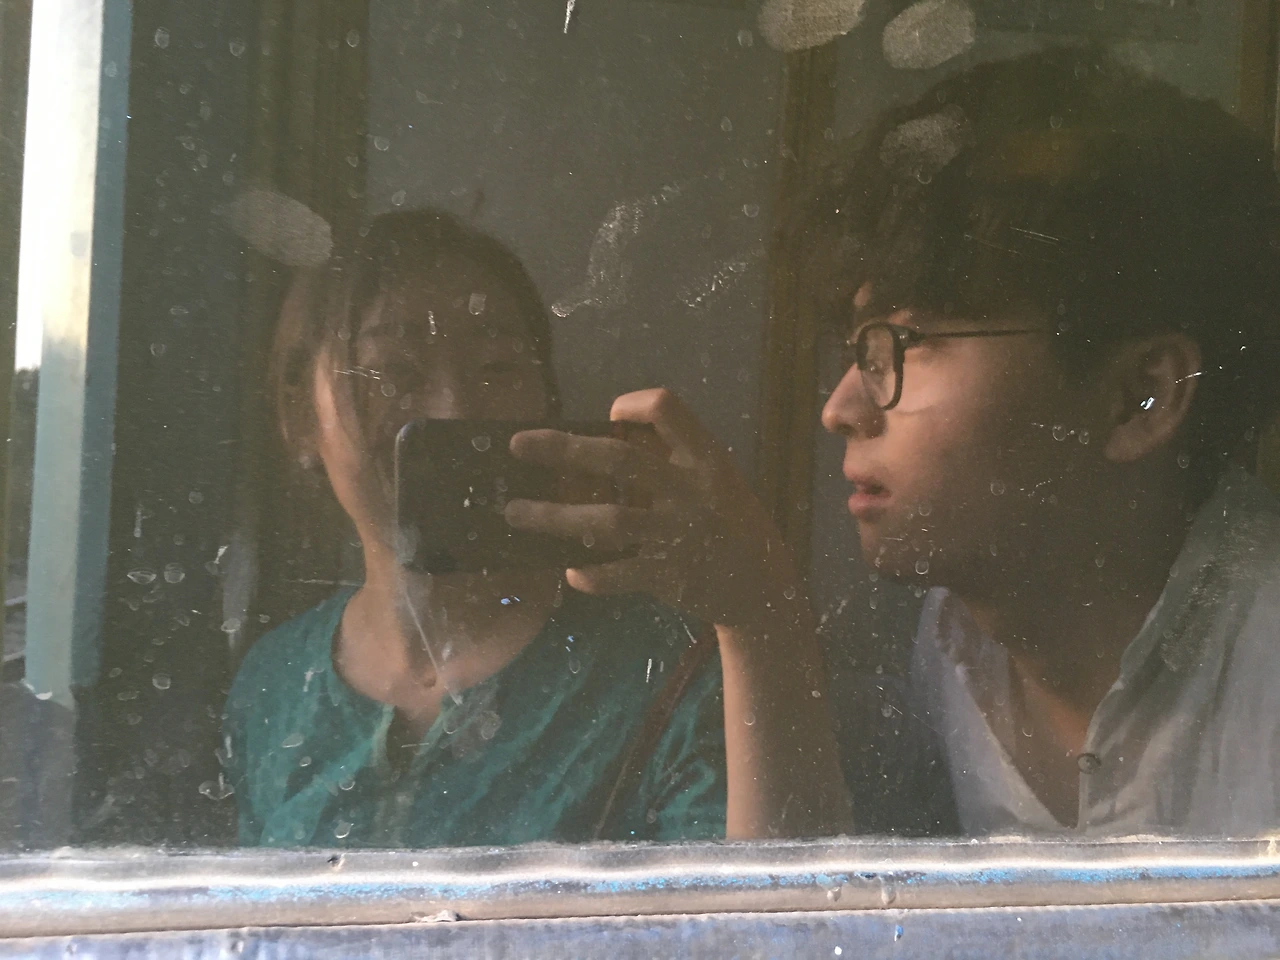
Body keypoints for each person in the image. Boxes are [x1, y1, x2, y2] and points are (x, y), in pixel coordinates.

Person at [512, 48, 1280, 837]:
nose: (841, 408)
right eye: (859, 350)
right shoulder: (951, 636)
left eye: (907, 343)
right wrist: (757, 614)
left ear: (1139, 398)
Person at [223, 210, 728, 847]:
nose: (454, 410)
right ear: (300, 416)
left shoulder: (669, 666)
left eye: (497, 367)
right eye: (394, 372)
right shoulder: (274, 681)